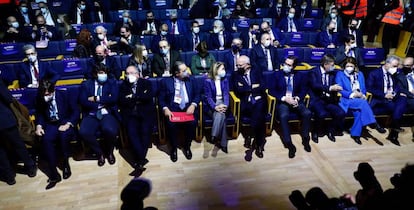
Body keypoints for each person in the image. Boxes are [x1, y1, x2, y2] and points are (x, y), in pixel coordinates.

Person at [34, 79, 79, 189]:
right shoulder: (40, 98)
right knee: (46, 141)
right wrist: (39, 126)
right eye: (44, 94)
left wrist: (68, 124)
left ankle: (65, 164)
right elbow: (39, 114)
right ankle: (54, 174)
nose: (46, 96)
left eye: (48, 94)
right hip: (51, 124)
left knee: (63, 138)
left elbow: (75, 111)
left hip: (64, 122)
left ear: (53, 90)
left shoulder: (65, 94)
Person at [269, 56, 312, 158]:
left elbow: (303, 90)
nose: (285, 66)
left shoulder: (300, 76)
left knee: (307, 113)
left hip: (295, 100)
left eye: (288, 65)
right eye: (285, 63)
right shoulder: (276, 75)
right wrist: (284, 98)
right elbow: (271, 90)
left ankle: (305, 138)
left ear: (294, 66)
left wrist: (297, 98)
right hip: (283, 101)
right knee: (284, 116)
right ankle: (289, 144)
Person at [78, 63, 120, 167]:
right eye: (101, 73)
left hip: (106, 112)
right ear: (95, 74)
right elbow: (83, 101)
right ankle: (99, 153)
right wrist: (100, 103)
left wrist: (97, 98)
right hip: (91, 113)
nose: (103, 75)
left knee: (110, 130)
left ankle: (109, 151)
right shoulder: (86, 84)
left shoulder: (112, 83)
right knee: (84, 132)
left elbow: (114, 98)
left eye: (105, 73)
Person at [159, 61, 200, 162]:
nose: (188, 71)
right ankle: (173, 148)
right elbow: (161, 99)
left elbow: (198, 94)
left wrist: (193, 105)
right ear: (177, 73)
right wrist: (165, 108)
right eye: (184, 70)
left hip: (188, 108)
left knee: (192, 123)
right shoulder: (165, 82)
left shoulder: (192, 79)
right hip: (173, 110)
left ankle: (187, 146)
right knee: (171, 125)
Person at [335, 57, 383, 144]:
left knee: (359, 112)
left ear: (355, 66)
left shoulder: (360, 74)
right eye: (347, 66)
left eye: (351, 66)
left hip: (358, 99)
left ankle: (355, 134)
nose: (349, 68)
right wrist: (353, 94)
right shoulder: (340, 74)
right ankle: (373, 123)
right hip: (345, 99)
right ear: (344, 66)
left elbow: (364, 88)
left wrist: (362, 94)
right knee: (363, 103)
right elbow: (340, 90)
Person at [0, 78, 37, 186]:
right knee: (18, 144)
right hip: (4, 119)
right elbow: (8, 98)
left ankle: (9, 176)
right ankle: (30, 168)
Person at [119, 66, 155, 176]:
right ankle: (141, 160)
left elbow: (148, 97)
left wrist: (133, 97)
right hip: (130, 115)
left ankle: (139, 162)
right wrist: (138, 97)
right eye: (127, 73)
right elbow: (122, 100)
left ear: (138, 75)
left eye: (132, 73)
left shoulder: (146, 83)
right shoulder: (123, 86)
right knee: (132, 134)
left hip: (145, 114)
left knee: (145, 133)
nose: (129, 75)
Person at [232, 55, 267, 158]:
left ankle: (253, 139)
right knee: (260, 118)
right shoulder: (236, 75)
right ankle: (258, 144)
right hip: (246, 103)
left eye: (240, 65)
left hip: (259, 100)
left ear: (247, 65)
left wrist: (247, 88)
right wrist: (252, 87)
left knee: (259, 109)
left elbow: (263, 86)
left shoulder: (257, 71)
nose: (238, 67)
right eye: (237, 65)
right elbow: (237, 89)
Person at [366, 55, 406, 145]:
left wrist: (394, 93)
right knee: (398, 109)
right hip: (379, 98)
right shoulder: (374, 73)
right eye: (394, 66)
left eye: (396, 66)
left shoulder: (394, 74)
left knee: (401, 102)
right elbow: (369, 88)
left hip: (391, 98)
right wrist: (384, 95)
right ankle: (393, 130)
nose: (395, 68)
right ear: (387, 64)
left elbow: (397, 86)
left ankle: (394, 130)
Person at [309, 55, 346, 143]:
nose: (334, 67)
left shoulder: (333, 73)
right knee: (321, 114)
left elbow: (336, 83)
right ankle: (315, 131)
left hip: (329, 100)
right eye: (332, 65)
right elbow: (315, 86)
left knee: (340, 113)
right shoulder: (313, 72)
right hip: (317, 99)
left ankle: (330, 131)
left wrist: (337, 87)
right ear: (325, 64)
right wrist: (330, 88)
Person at [204, 62, 230, 153]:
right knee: (221, 115)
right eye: (222, 69)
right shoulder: (208, 81)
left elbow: (226, 94)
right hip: (212, 104)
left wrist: (225, 105)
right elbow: (208, 97)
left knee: (221, 113)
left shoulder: (225, 80)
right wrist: (215, 107)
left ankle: (214, 135)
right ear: (216, 70)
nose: (224, 71)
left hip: (222, 103)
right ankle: (224, 144)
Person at [394, 56, 414, 140]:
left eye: (407, 65)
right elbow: (401, 89)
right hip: (408, 97)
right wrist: (411, 94)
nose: (404, 67)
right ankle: (394, 131)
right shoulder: (399, 75)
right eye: (403, 65)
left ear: (413, 66)